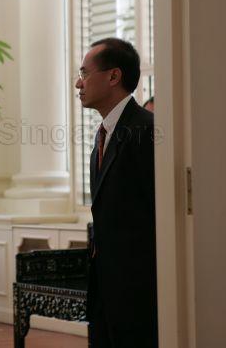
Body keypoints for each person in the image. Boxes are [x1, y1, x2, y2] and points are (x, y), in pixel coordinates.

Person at [75, 38, 157, 347]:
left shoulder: (147, 130)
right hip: (105, 284)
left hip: (137, 289)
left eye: (85, 72)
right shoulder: (103, 134)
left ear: (113, 76)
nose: (78, 82)